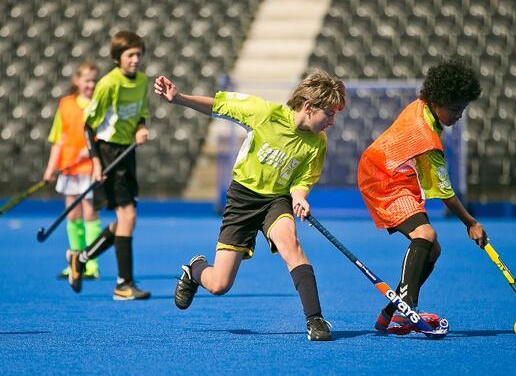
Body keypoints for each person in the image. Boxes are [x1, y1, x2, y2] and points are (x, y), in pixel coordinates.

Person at [153, 69, 346, 341]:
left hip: (276, 200)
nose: (332, 121)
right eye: (329, 113)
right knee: (219, 284)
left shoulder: (318, 142)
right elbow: (219, 106)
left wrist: (300, 196)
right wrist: (180, 98)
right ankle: (195, 269)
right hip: (243, 199)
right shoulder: (265, 113)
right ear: (309, 107)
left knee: (290, 243)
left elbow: (305, 176)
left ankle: (315, 319)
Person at [357, 59, 488, 333]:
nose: (459, 115)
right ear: (437, 100)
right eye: (455, 108)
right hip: (381, 178)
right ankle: (407, 309)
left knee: (433, 248)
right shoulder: (425, 137)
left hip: (396, 175)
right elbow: (445, 193)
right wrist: (470, 222)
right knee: (425, 235)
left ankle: (390, 314)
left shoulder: (423, 106)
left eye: (462, 109)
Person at [66, 30, 150, 301]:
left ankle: (81, 258)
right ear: (117, 58)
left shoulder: (143, 82)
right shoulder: (107, 84)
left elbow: (142, 115)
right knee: (128, 218)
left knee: (125, 221)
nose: (135, 59)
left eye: (138, 54)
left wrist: (141, 128)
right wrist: (95, 162)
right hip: (108, 152)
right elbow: (88, 124)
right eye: (130, 55)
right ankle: (123, 284)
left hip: (127, 154)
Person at [43, 62, 102, 280]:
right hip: (68, 170)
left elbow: (104, 135)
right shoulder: (65, 105)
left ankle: (92, 263)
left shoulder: (99, 104)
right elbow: (58, 139)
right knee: (73, 215)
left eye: (94, 81)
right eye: (87, 80)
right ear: (77, 81)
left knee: (90, 214)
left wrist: (90, 151)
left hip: (90, 169)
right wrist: (51, 168)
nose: (91, 85)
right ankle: (76, 261)